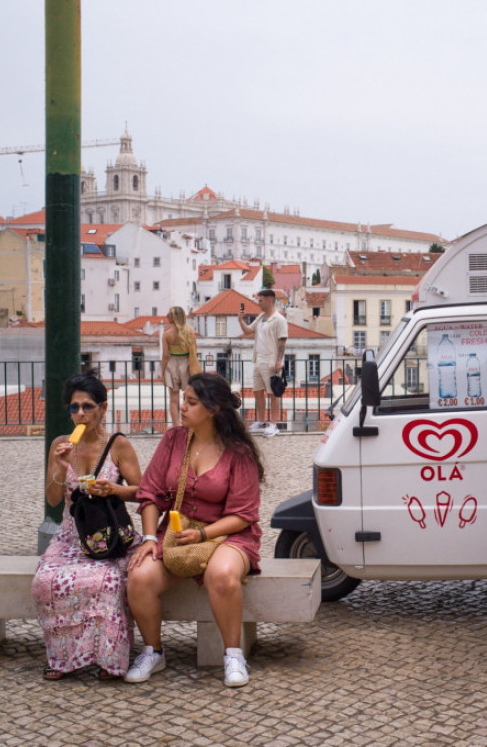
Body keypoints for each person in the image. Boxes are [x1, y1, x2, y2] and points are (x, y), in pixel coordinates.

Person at [125, 372, 264, 687]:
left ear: (213, 409)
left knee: (222, 575)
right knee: (140, 576)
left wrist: (204, 535)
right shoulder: (174, 440)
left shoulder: (238, 451)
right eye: (183, 401)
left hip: (230, 533)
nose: (182, 408)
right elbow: (151, 493)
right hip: (178, 531)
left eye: (191, 402)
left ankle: (232, 654)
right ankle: (153, 651)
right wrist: (149, 539)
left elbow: (244, 514)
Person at [31, 371, 143, 680]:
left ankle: (109, 658)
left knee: (105, 583)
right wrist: (59, 465)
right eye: (74, 407)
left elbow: (142, 491)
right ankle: (64, 658)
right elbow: (54, 499)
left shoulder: (118, 445)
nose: (80, 414)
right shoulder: (61, 444)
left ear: (103, 409)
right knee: (45, 583)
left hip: (107, 535)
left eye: (88, 406)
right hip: (71, 535)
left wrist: (114, 489)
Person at [238, 288, 287, 437]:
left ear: (269, 301)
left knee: (273, 394)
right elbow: (248, 331)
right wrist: (240, 320)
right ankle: (260, 422)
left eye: (260, 300)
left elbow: (282, 341)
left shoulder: (279, 319)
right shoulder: (260, 317)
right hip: (258, 359)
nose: (258, 303)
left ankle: (273, 424)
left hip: (270, 361)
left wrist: (279, 360)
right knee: (257, 392)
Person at [161, 307, 198, 429]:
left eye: (169, 315)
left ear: (174, 317)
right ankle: (189, 424)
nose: (167, 316)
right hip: (187, 364)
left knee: (173, 400)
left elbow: (165, 355)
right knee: (189, 397)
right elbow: (194, 351)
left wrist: (163, 372)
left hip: (172, 365)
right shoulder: (190, 331)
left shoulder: (167, 334)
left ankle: (176, 426)